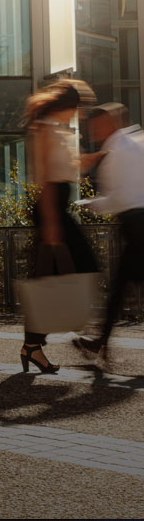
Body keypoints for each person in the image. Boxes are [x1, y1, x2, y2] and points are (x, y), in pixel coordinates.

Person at [21, 79, 99, 374]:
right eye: (79, 108)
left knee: (46, 280)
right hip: (51, 210)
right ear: (68, 106)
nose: (80, 114)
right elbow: (44, 179)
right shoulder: (43, 129)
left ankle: (32, 346)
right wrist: (52, 224)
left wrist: (91, 160)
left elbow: (70, 169)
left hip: (57, 210)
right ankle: (47, 339)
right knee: (78, 268)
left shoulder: (58, 130)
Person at [73, 103, 144, 358]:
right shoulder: (139, 140)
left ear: (109, 123)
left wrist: (91, 204)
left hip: (136, 224)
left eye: (95, 126)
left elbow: (121, 198)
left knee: (121, 284)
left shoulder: (114, 150)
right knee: (121, 283)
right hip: (137, 224)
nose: (91, 131)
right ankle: (101, 340)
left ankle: (101, 340)